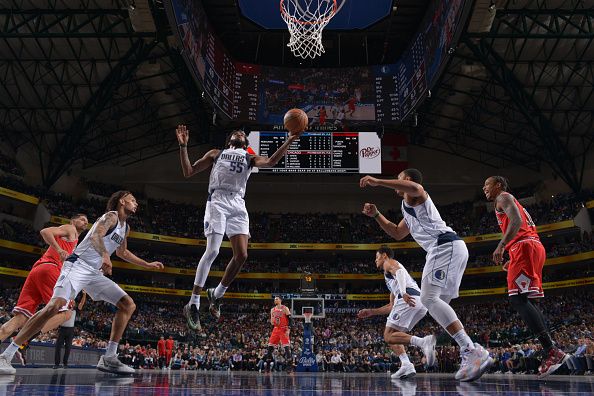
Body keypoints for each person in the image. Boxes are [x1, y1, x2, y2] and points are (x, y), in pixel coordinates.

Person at [0, 191, 164, 375]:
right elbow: (96, 236)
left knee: (128, 305)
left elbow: (122, 253)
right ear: (122, 201)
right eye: (133, 199)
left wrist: (147, 264)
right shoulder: (111, 216)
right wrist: (104, 255)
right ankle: (7, 355)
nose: (136, 203)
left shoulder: (125, 227)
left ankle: (109, 357)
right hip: (77, 265)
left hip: (94, 273)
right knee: (54, 307)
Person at [360, 169, 491, 382]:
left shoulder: (415, 195)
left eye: (399, 178)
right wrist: (376, 214)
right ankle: (469, 351)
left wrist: (377, 181)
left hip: (443, 247)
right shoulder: (407, 208)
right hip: (451, 249)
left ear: (408, 180)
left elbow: (416, 187)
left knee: (428, 299)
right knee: (439, 307)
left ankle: (471, 349)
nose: (396, 182)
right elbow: (396, 232)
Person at [176, 125, 304, 330]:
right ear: (229, 140)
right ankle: (193, 303)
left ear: (245, 143)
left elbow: (271, 162)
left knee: (242, 255)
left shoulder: (249, 158)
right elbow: (188, 171)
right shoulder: (216, 153)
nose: (239, 133)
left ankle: (216, 294)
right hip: (217, 200)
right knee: (213, 251)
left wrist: (288, 141)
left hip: (237, 203)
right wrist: (183, 146)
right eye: (236, 133)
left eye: (243, 134)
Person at [483, 176, 569, 377]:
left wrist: (502, 245)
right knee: (527, 300)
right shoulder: (509, 200)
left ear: (498, 185)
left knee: (517, 299)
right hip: (529, 247)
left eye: (487, 184)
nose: (483, 188)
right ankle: (552, 349)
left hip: (524, 247)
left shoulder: (503, 197)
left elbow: (517, 221)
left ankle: (551, 350)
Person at [0, 214, 88, 344]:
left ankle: (13, 334)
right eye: (82, 219)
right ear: (72, 221)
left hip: (38, 270)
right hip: (50, 269)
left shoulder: (74, 241)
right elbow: (45, 231)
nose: (85, 222)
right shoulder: (70, 229)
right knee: (66, 313)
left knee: (21, 317)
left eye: (86, 221)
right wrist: (59, 250)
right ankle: (25, 339)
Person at [357, 246, 436, 379]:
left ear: (384, 256)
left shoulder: (390, 263)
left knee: (388, 336)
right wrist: (371, 312)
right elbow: (391, 306)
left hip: (408, 298)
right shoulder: (391, 281)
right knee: (394, 337)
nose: (375, 261)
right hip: (418, 302)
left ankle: (423, 342)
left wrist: (403, 292)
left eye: (377, 257)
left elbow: (399, 273)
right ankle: (406, 364)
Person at [54, 291, 86, 369]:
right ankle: (56, 364)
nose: (73, 302)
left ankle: (65, 364)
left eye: (74, 302)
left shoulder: (75, 310)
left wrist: (84, 294)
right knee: (58, 347)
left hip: (70, 330)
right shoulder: (63, 309)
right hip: (62, 329)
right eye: (71, 301)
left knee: (68, 348)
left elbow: (81, 303)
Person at [267, 296, 292, 371]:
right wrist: (273, 321)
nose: (275, 300)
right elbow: (271, 322)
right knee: (270, 347)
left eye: (276, 299)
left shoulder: (285, 308)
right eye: (274, 299)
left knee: (286, 348)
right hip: (275, 329)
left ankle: (289, 367)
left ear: (280, 300)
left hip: (283, 329)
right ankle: (267, 367)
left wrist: (289, 329)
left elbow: (290, 319)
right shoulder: (272, 310)